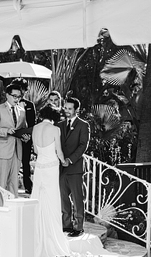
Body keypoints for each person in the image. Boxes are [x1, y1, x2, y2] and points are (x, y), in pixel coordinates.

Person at [29, 105, 71, 256]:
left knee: (39, 197)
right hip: (51, 167)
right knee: (52, 199)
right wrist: (64, 161)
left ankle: (37, 233)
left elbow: (35, 149)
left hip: (40, 167)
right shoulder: (55, 129)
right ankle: (52, 235)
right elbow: (58, 151)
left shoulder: (35, 128)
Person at [0, 84, 27, 206]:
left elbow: (23, 128)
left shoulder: (22, 111)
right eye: (14, 96)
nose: (17, 99)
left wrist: (25, 137)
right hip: (3, 150)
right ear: (7, 95)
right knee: (1, 181)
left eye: (19, 97)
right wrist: (6, 131)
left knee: (14, 182)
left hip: (17, 149)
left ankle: (12, 207)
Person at [59, 97, 90, 237]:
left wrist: (70, 160)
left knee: (77, 199)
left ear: (76, 110)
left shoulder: (83, 125)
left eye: (69, 108)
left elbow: (83, 145)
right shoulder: (59, 125)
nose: (66, 111)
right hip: (61, 168)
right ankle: (66, 225)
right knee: (63, 198)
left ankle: (78, 227)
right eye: (65, 108)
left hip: (75, 167)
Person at [11, 78, 37, 194]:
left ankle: (27, 184)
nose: (21, 92)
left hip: (26, 138)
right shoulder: (9, 104)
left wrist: (28, 136)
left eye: (22, 89)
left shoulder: (30, 105)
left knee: (26, 162)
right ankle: (11, 185)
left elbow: (33, 123)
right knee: (12, 162)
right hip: (12, 137)